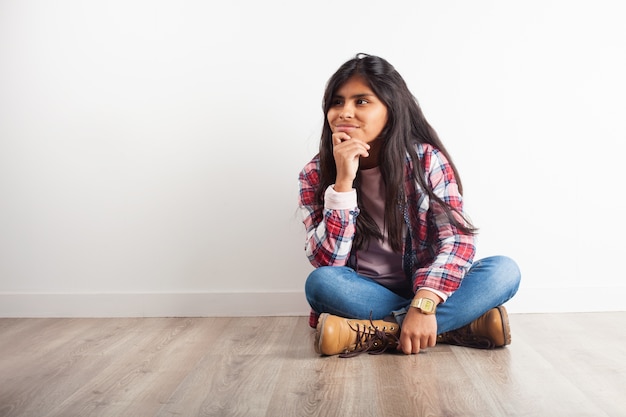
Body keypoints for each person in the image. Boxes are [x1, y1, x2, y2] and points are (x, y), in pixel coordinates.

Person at [298, 53, 521, 357]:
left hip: (430, 288)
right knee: (320, 284)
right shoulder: (314, 174)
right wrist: (342, 184)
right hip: (363, 294)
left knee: (504, 271)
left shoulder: (425, 160)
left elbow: (457, 240)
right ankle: (459, 326)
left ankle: (378, 332)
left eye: (361, 101)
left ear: (391, 108)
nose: (344, 112)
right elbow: (328, 264)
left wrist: (424, 304)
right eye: (337, 102)